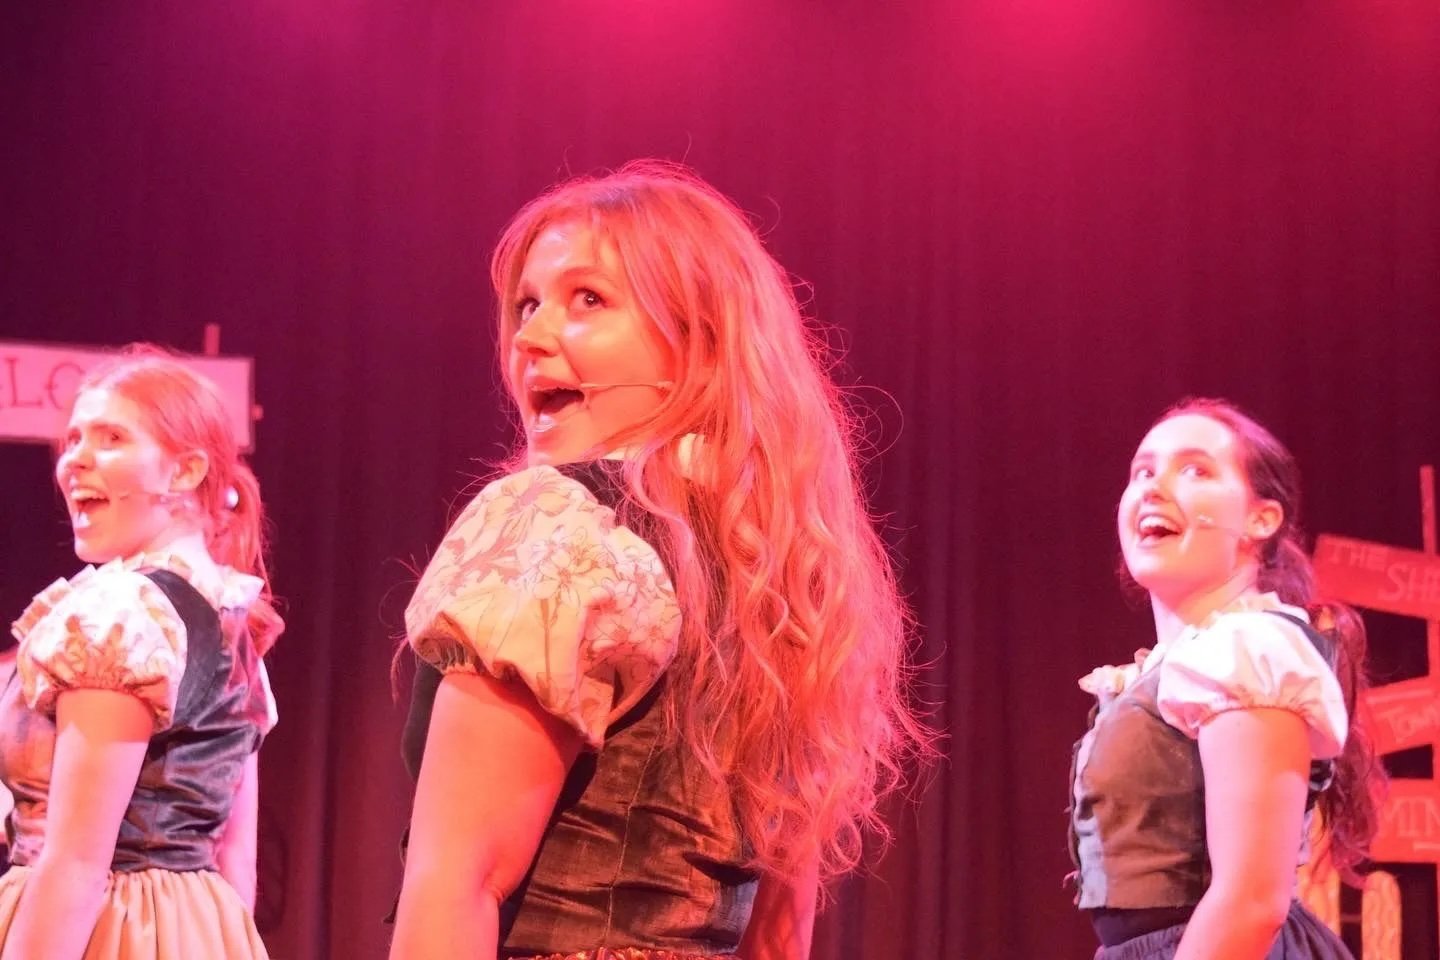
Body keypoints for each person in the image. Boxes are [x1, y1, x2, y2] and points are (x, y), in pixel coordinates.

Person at [389, 160, 930, 960]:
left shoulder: (560, 524)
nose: (530, 337)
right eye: (528, 305)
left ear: (697, 344)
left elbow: (457, 881)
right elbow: (778, 940)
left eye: (588, 300)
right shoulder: (775, 570)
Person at [1069, 398, 1382, 960]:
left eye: (1195, 469)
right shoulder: (1179, 668)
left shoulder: (1249, 651)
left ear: (1260, 520)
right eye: (1143, 471)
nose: (1153, 487)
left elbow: (1250, 902)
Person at [0, 348, 282, 960]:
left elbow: (75, 866)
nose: (75, 459)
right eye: (74, 439)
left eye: (111, 438)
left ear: (185, 472)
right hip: (198, 929)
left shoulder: (122, 618)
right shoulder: (233, 622)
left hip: (103, 930)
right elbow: (236, 862)